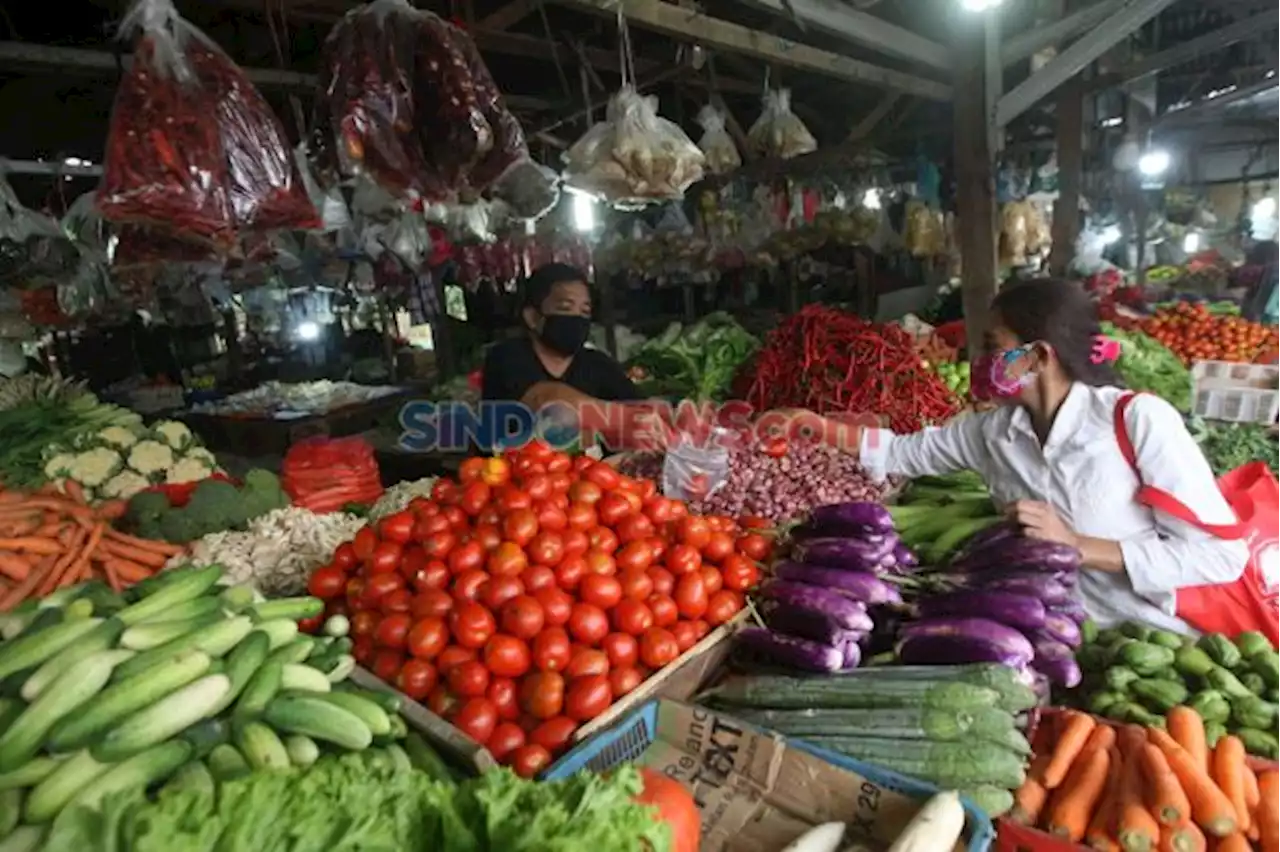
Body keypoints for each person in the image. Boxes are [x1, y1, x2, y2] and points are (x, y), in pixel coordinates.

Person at [829, 279, 1248, 632]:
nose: (980, 361)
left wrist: (1075, 544)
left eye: (993, 346)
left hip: (1145, 642)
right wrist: (816, 427)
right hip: (1047, 634)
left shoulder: (1136, 420)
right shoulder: (994, 432)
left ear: (1039, 356)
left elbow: (1220, 557)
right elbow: (903, 453)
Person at [482, 263, 641, 409]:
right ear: (532, 317)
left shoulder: (597, 363)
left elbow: (639, 405)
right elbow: (545, 402)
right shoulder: (506, 357)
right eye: (565, 309)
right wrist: (619, 417)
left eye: (584, 311)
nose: (577, 319)